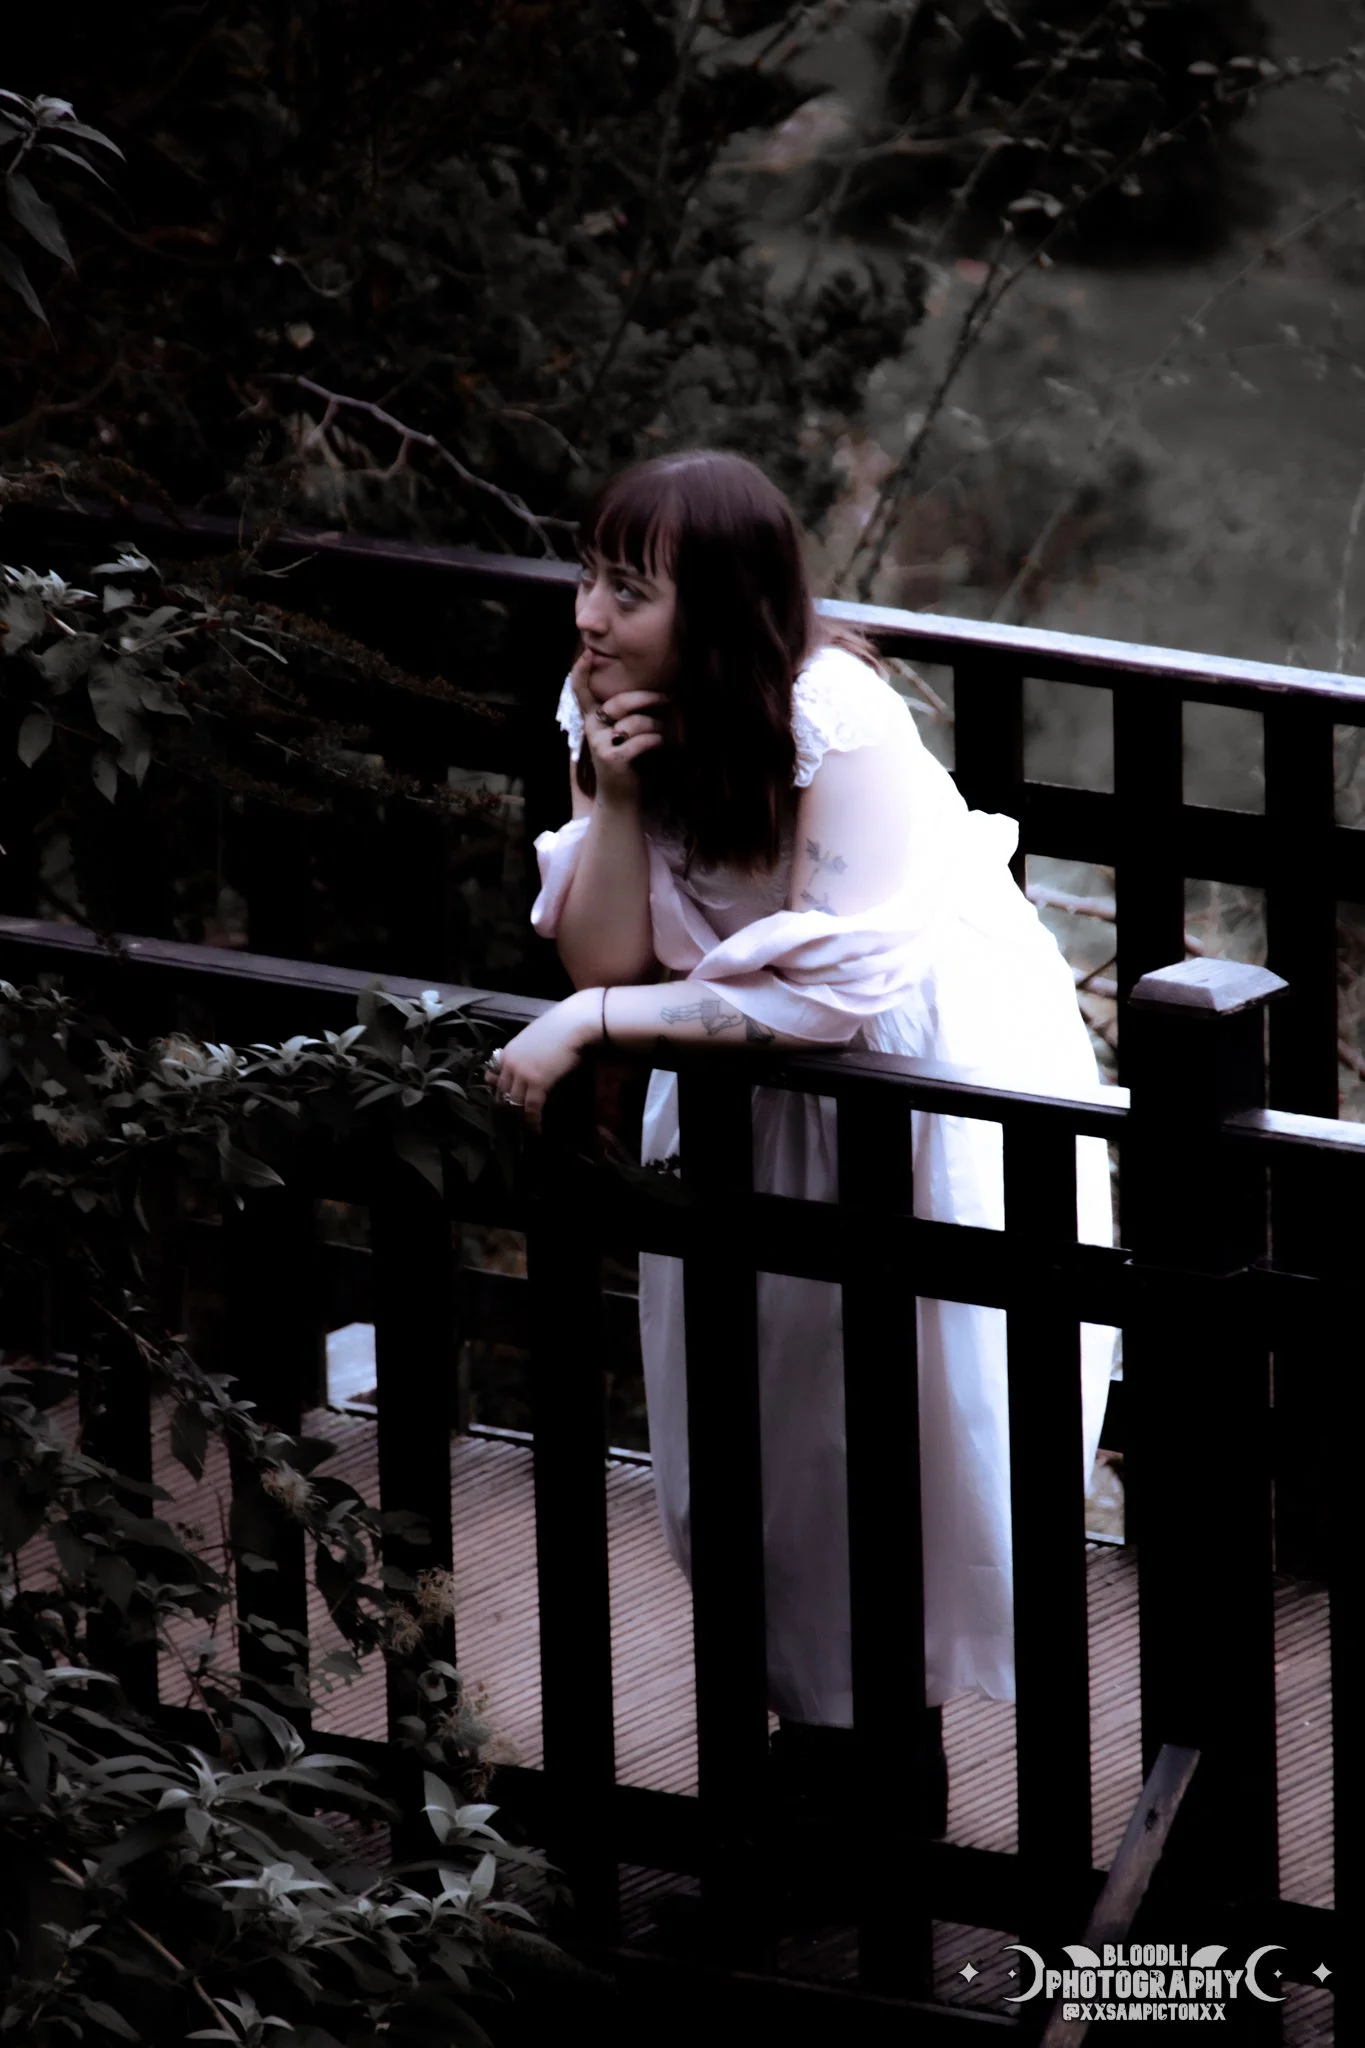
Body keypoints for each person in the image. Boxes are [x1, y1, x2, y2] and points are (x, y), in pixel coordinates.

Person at [485, 449, 1114, 1831]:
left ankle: (892, 1768)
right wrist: (619, 798)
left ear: (721, 607)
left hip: (910, 1095)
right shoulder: (606, 706)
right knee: (747, 1435)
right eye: (591, 574)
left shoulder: (835, 717)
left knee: (887, 1442)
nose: (589, 613)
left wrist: (594, 1022)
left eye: (629, 590)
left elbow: (832, 995)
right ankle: (811, 1744)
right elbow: (605, 947)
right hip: (738, 1097)